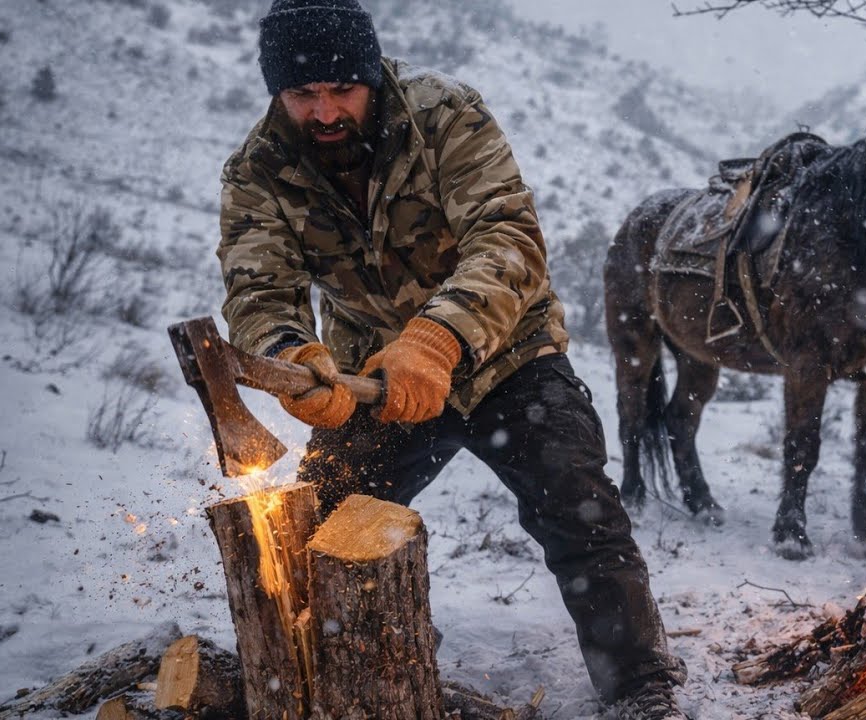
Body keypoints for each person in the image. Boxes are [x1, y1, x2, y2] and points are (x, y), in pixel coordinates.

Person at [216, 1, 688, 717]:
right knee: (326, 535)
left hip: (508, 356)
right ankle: (329, 669)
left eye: (342, 89)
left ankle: (639, 688)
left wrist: (438, 339)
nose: (324, 111)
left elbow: (508, 238)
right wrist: (296, 361)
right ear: (277, 91)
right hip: (373, 381)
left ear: (370, 75)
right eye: (302, 94)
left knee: (579, 509)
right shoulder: (258, 170)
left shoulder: (443, 114)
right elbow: (259, 287)